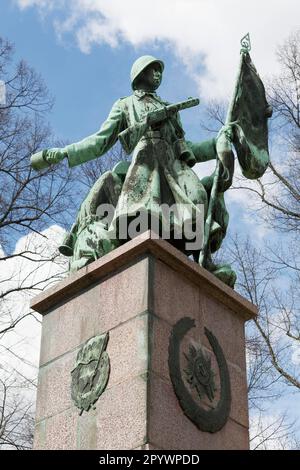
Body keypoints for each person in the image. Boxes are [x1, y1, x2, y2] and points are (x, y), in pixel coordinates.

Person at [31, 55, 235, 286]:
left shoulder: (170, 108)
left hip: (174, 164)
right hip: (146, 163)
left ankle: (204, 260)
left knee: (198, 196)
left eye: (160, 72)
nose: (158, 75)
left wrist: (218, 140)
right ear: (140, 74)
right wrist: (64, 152)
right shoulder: (125, 104)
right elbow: (100, 141)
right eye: (153, 71)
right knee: (144, 214)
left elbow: (186, 147)